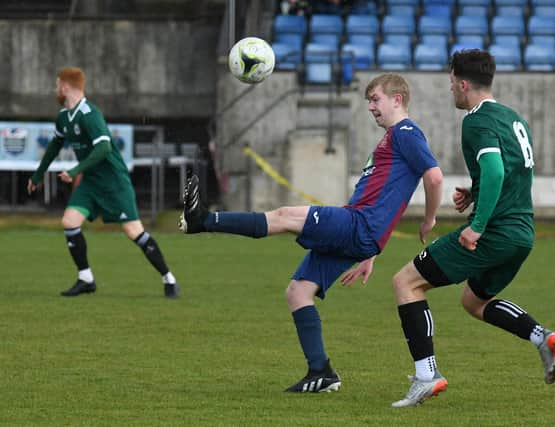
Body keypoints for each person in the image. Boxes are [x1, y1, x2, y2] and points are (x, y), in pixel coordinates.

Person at [180, 73, 443, 392]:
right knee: (298, 292)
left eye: (375, 99)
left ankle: (203, 220)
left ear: (397, 99)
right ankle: (321, 372)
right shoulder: (393, 137)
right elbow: (390, 197)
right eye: (369, 101)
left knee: (285, 215)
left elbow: (435, 177)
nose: (371, 107)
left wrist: (429, 219)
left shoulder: (406, 132)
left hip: (358, 224)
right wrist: (371, 249)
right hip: (362, 231)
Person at [377, 49, 555, 407]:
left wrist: (477, 225)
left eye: (451, 84)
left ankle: (426, 376)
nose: (451, 91)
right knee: (474, 301)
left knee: (406, 283)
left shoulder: (476, 121)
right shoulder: (512, 118)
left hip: (493, 232)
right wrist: (475, 193)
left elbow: (495, 170)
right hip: (522, 233)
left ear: (463, 84)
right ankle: (543, 337)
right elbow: (512, 171)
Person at [27, 67, 180, 298]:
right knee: (69, 221)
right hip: (90, 183)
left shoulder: (90, 114)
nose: (55, 89)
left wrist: (75, 170)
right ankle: (86, 278)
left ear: (66, 86)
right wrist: (38, 176)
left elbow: (104, 147)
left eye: (57, 85)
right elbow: (54, 146)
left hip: (113, 182)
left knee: (133, 231)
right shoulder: (63, 117)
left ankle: (169, 279)